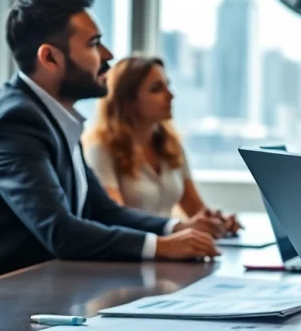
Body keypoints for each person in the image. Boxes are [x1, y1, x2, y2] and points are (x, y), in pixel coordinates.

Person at [0, 0, 222, 284]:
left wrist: (174, 229)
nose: (108, 55)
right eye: (94, 44)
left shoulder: (53, 117)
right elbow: (60, 231)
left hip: (33, 289)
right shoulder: (13, 124)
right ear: (49, 58)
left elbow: (101, 210)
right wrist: (161, 247)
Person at [84, 55, 240, 234]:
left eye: (168, 85)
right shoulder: (102, 150)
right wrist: (177, 227)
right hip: (135, 248)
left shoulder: (171, 146)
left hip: (172, 245)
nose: (171, 95)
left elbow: (196, 209)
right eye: (156, 89)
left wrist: (220, 222)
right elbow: (116, 218)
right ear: (127, 101)